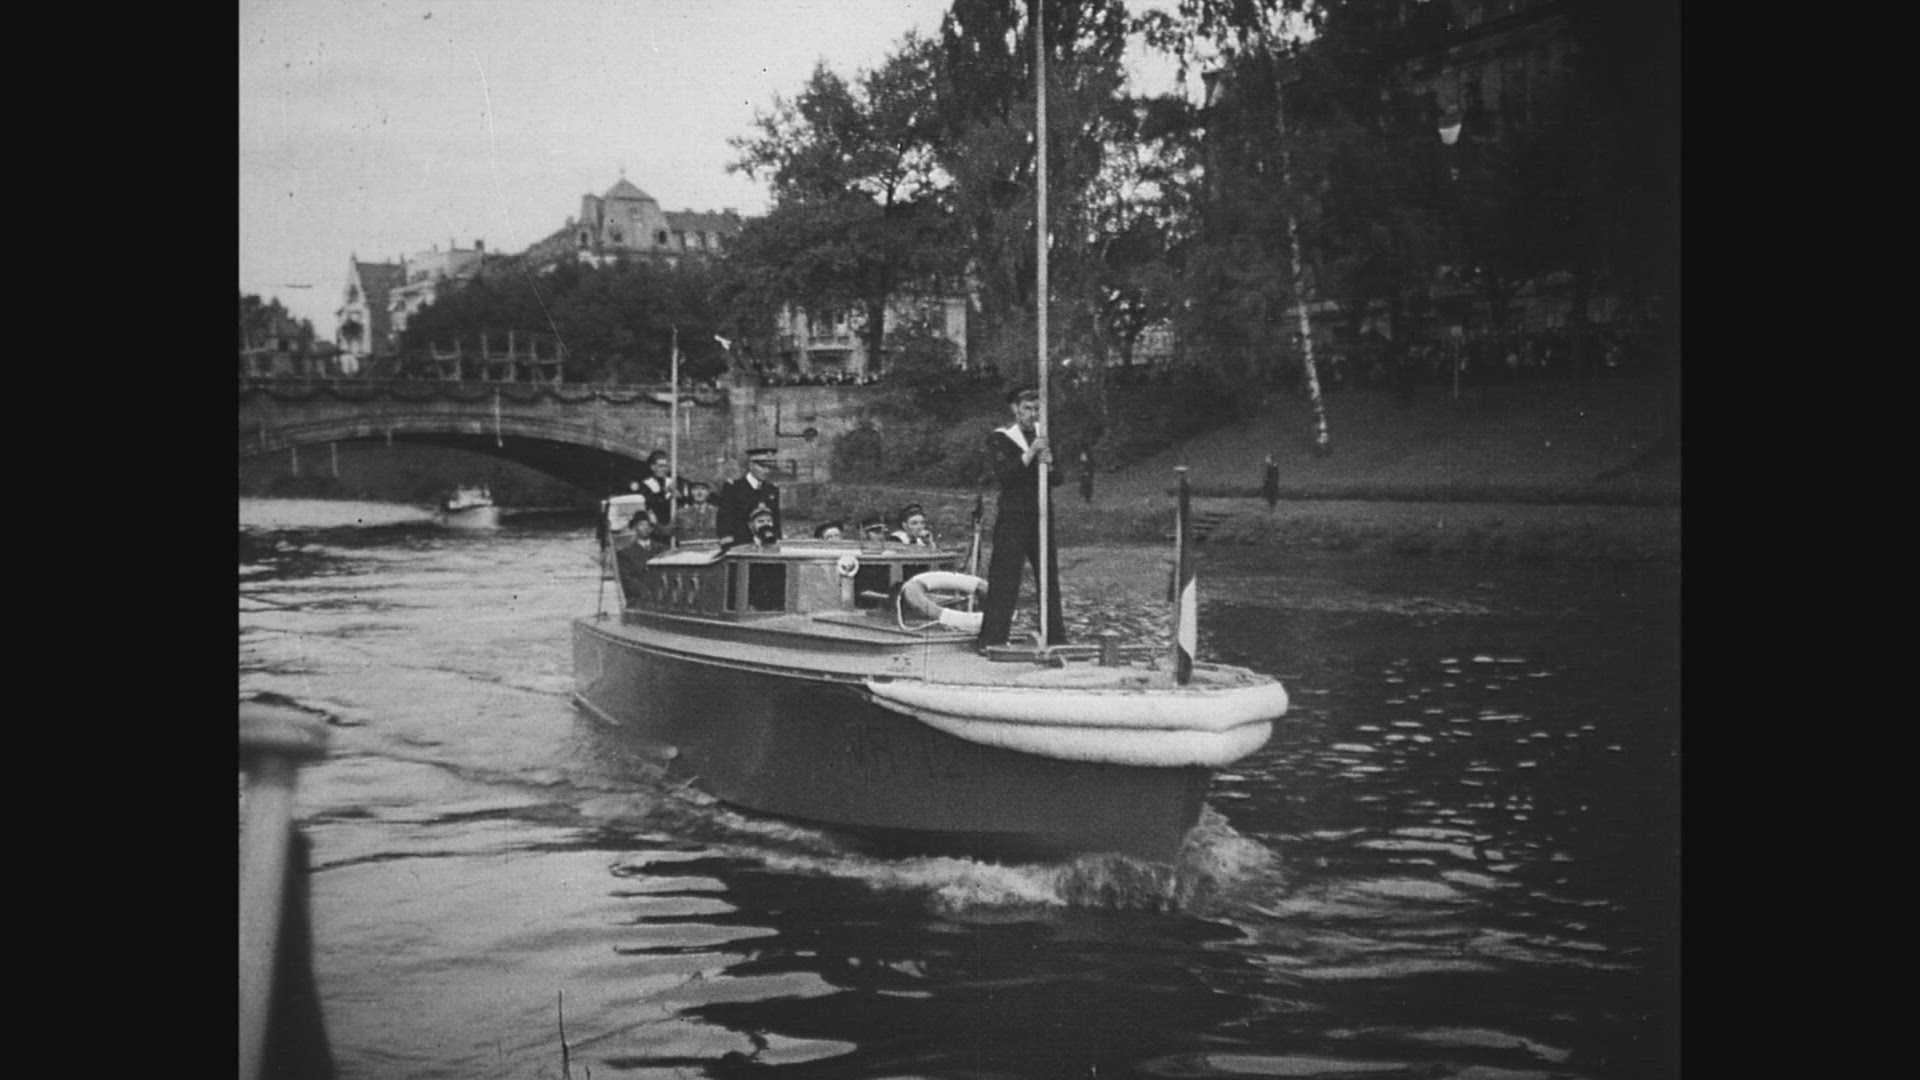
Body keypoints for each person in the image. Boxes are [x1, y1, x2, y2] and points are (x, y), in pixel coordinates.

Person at [977, 386, 1065, 650]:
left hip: (1041, 514)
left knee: (1048, 577)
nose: (1032, 414)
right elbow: (1006, 475)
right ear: (1015, 409)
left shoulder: (1044, 435)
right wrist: (1030, 454)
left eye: (1037, 409)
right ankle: (993, 639)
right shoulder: (1001, 438)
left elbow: (1058, 479)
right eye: (1027, 408)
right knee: (1005, 577)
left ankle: (1055, 638)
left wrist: (1049, 463)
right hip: (1013, 515)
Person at [715, 448, 782, 547]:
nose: (766, 471)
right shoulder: (733, 487)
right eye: (762, 466)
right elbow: (724, 517)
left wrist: (777, 539)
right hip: (739, 544)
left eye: (769, 467)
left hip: (766, 544)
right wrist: (727, 542)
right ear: (751, 466)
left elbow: (775, 518)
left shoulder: (771, 489)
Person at [615, 512, 660, 605]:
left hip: (661, 598)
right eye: (641, 525)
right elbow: (626, 579)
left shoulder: (661, 549)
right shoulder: (626, 553)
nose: (645, 528)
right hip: (638, 600)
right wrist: (644, 591)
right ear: (635, 528)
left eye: (648, 525)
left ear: (651, 528)